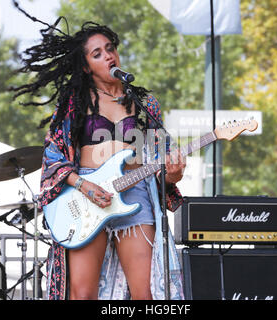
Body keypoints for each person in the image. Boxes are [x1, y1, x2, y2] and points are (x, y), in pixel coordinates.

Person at [12, 21, 186, 300]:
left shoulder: (145, 104)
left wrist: (172, 174)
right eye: (97, 54)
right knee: (82, 294)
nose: (108, 55)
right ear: (85, 66)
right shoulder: (74, 101)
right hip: (86, 196)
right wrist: (83, 185)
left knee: (146, 293)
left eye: (110, 48)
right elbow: (53, 153)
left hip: (135, 193)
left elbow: (159, 161)